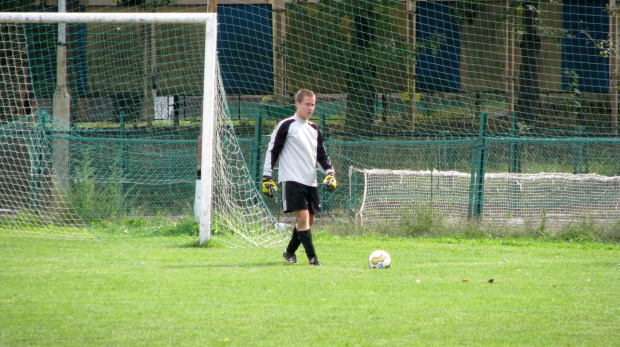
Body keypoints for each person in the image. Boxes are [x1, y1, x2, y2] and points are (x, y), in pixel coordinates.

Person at [262, 89, 337, 266]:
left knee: (308, 221)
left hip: (310, 180)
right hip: (291, 178)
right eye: (307, 104)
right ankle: (313, 259)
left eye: (313, 105)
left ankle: (289, 252)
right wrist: (267, 177)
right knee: (303, 219)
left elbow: (322, 155)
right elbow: (273, 151)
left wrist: (330, 173)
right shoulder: (286, 125)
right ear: (297, 104)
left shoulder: (314, 129)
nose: (310, 108)